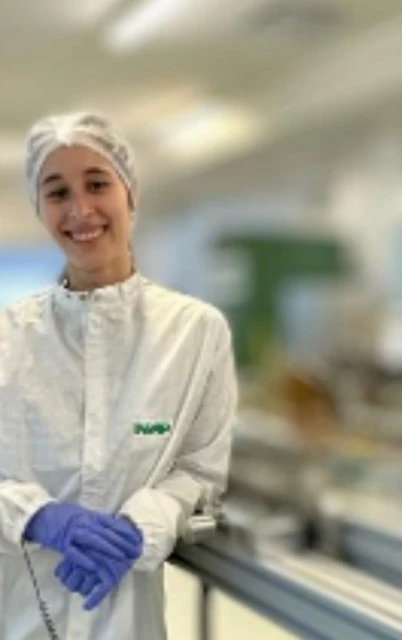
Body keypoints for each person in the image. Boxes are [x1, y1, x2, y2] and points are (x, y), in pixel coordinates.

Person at [0, 111, 238, 639]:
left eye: (97, 184)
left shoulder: (195, 332)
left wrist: (140, 525)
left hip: (127, 620)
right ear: (39, 209)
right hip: (15, 613)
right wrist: (34, 516)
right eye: (57, 192)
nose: (80, 209)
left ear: (130, 194)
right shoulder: (8, 337)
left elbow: (198, 472)